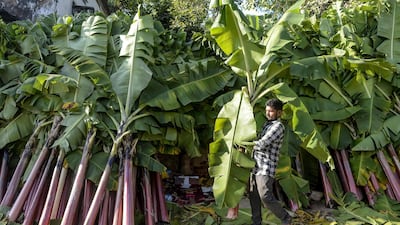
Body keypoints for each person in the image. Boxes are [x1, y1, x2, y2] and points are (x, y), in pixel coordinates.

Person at [249, 98, 291, 225]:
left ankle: (285, 217)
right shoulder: (267, 125)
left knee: (265, 196)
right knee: (253, 196)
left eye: (271, 111)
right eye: (267, 111)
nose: (268, 113)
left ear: (279, 113)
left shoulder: (278, 127)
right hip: (255, 165)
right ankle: (256, 222)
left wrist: (245, 144)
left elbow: (263, 143)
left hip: (266, 167)